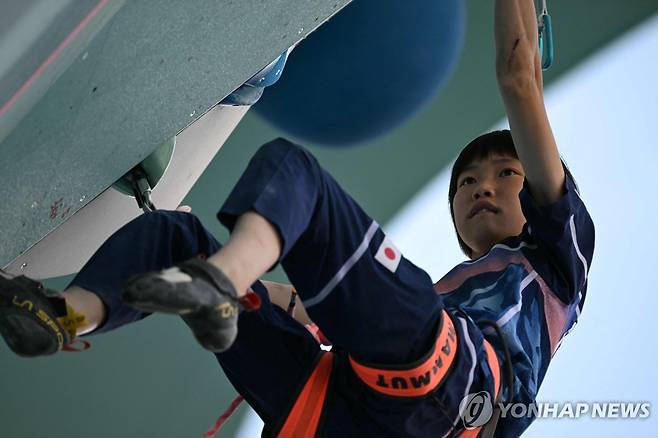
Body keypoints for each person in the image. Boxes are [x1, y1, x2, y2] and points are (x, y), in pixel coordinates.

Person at [0, 0, 594, 436]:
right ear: (461, 232)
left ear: (539, 186)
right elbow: (307, 305)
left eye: (505, 173)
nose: (481, 187)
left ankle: (219, 284)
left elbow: (521, 82)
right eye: (466, 182)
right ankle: (65, 316)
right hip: (348, 409)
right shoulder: (434, 302)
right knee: (177, 238)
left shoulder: (561, 262)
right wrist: (245, 282)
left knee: (296, 174)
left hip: (456, 390)